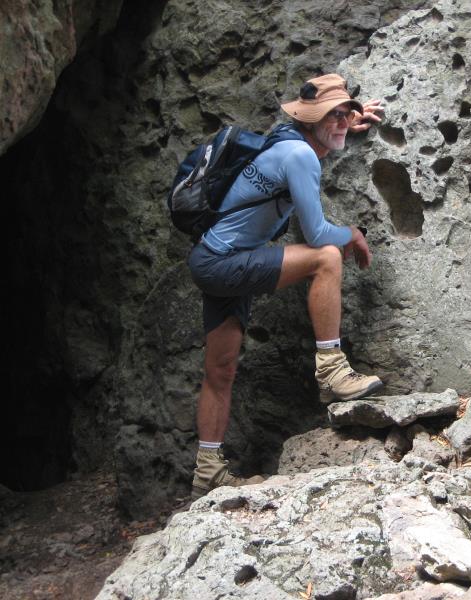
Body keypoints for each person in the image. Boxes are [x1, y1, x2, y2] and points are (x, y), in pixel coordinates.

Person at [187, 74, 385, 499]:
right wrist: (352, 232)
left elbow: (311, 137)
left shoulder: (288, 140)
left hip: (212, 258)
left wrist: (346, 121)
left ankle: (207, 473)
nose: (340, 123)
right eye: (331, 116)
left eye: (344, 114)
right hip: (223, 263)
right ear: (310, 119)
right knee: (327, 257)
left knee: (220, 370)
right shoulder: (299, 155)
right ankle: (331, 369)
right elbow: (316, 235)